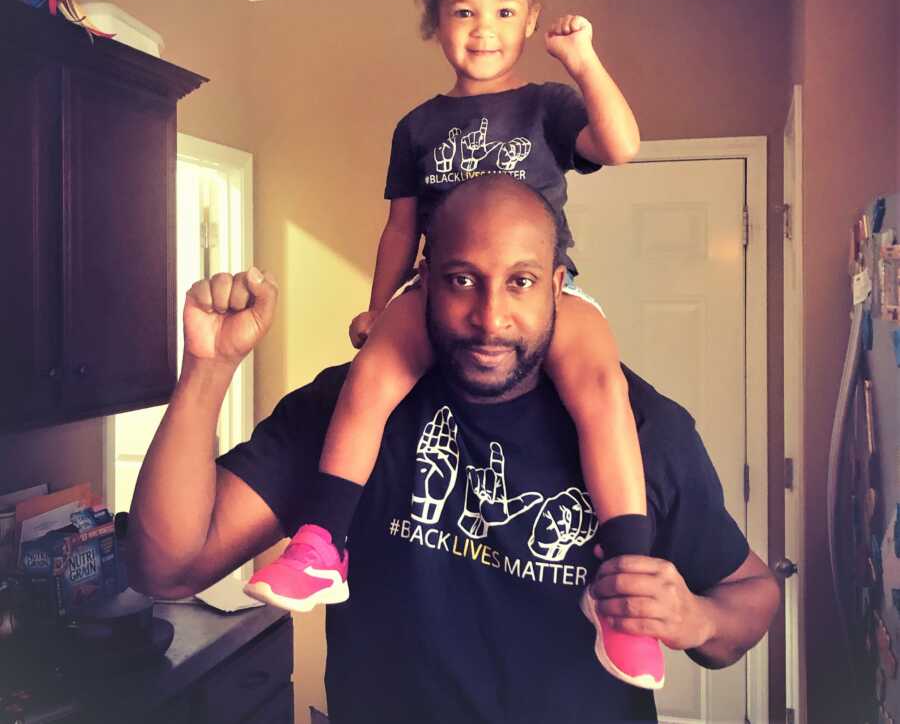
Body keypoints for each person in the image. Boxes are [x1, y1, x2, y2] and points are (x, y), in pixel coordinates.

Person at [129, 176, 780, 724]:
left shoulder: (642, 434)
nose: (490, 317)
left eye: (520, 283)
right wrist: (208, 370)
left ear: (560, 287)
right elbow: (169, 569)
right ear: (425, 282)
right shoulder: (348, 413)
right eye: (463, 279)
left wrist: (696, 617)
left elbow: (751, 595)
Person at [246, 0, 660, 687]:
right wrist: (379, 304)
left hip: (542, 291)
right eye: (464, 10)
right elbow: (401, 229)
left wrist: (583, 63)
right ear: (436, 18)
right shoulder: (417, 127)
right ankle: (321, 543)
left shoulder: (546, 105)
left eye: (505, 11)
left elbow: (622, 145)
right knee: (368, 384)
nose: (484, 28)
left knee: (601, 389)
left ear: (530, 14)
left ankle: (626, 585)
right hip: (438, 288)